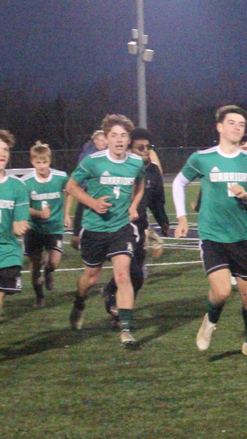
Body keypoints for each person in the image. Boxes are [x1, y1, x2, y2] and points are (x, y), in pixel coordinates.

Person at [173, 106, 247, 361]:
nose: (237, 127)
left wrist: (246, 196)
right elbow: (179, 182)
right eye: (232, 122)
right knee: (223, 291)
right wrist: (182, 217)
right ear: (220, 127)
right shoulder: (202, 158)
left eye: (241, 124)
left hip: (241, 236)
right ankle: (210, 320)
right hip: (212, 235)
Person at [65, 115, 146, 348]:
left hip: (120, 228)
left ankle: (126, 329)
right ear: (107, 138)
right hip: (95, 229)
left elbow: (140, 185)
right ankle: (80, 301)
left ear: (128, 139)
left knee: (123, 275)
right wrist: (92, 202)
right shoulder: (93, 162)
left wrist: (133, 205)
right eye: (114, 135)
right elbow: (71, 186)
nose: (119, 140)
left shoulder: (135, 162)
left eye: (123, 135)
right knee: (91, 277)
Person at [100, 129, 170, 327]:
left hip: (139, 228)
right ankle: (116, 305)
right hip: (119, 227)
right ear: (130, 148)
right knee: (132, 272)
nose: (145, 150)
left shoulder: (153, 171)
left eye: (148, 147)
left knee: (137, 278)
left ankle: (117, 307)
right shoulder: (121, 167)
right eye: (140, 147)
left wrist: (163, 222)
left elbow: (157, 201)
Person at [0, 129, 31, 365]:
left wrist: (20, 225)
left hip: (5, 255)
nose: (2, 153)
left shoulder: (17, 187)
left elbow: (18, 222)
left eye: (5, 149)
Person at [20, 142, 67, 308]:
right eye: (38, 162)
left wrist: (66, 215)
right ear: (32, 162)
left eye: (44, 162)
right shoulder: (25, 182)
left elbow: (71, 191)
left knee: (53, 263)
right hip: (34, 229)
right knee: (35, 264)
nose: (41, 166)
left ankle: (49, 272)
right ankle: (39, 296)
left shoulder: (61, 177)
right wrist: (39, 214)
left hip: (54, 228)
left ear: (50, 161)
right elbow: (22, 206)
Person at [66, 130, 107, 251]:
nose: (103, 142)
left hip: (101, 187)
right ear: (95, 141)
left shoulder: (107, 152)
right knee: (82, 207)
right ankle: (76, 235)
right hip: (88, 186)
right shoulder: (89, 155)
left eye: (105, 140)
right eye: (100, 140)